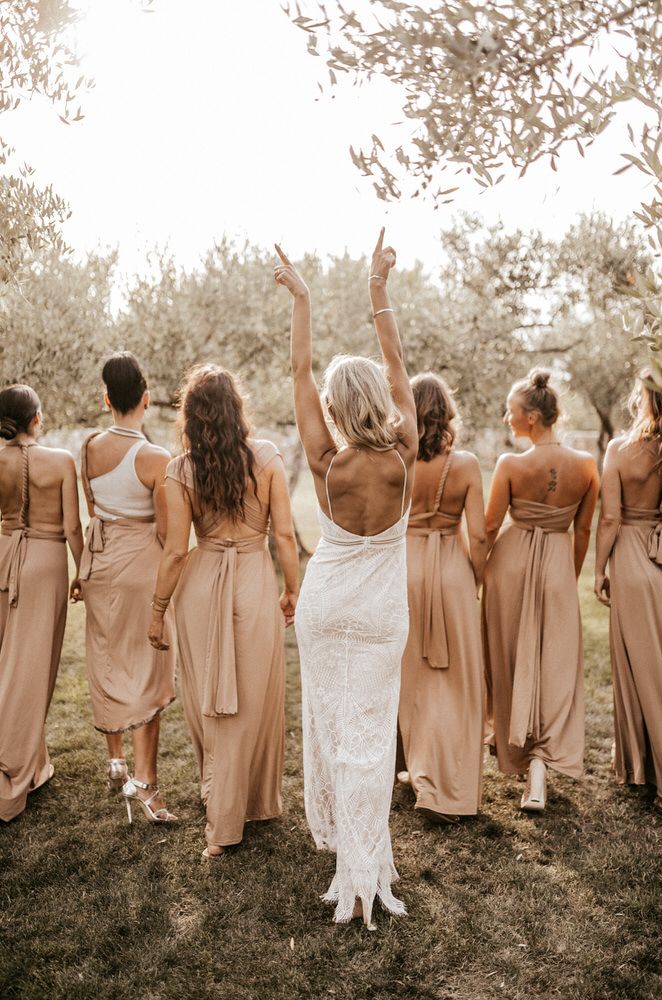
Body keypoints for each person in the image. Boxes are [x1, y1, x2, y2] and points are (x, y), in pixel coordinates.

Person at [274, 229, 418, 930]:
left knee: (336, 731)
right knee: (370, 737)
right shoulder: (403, 451)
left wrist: (300, 299)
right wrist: (376, 290)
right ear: (381, 399)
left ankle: (354, 864)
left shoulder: (324, 457)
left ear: (334, 404)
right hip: (381, 609)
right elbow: (397, 360)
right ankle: (366, 864)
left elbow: (299, 372)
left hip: (326, 605)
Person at [148, 364, 298, 857]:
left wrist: (157, 610)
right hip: (254, 581)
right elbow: (284, 536)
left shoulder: (180, 469)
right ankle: (243, 803)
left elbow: (174, 552)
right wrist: (292, 589)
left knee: (213, 701)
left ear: (191, 416)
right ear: (238, 409)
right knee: (249, 699)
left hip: (202, 584)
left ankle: (227, 811)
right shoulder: (269, 458)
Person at [483, 369, 598, 812]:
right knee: (553, 664)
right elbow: (583, 530)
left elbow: (491, 526)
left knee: (510, 655)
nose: (507, 419)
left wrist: (479, 572)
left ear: (532, 417)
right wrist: (565, 578)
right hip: (557, 565)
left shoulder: (511, 465)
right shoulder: (587, 464)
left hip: (509, 565)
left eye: (512, 412)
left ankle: (513, 745)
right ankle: (538, 770)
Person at [72, 352, 176, 824]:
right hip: (138, 566)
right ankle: (146, 787)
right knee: (148, 666)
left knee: (107, 654)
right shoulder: (155, 458)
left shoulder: (88, 446)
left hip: (98, 562)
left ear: (106, 398)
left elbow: (93, 507)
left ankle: (115, 758)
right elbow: (165, 532)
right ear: (147, 398)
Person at [397, 373, 486, 823]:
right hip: (451, 568)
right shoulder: (466, 464)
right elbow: (482, 534)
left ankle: (411, 768)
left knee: (408, 673)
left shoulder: (397, 461)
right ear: (446, 412)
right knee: (454, 679)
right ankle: (441, 782)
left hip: (404, 567)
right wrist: (477, 576)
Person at [0, 384, 83, 822]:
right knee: (30, 670)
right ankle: (10, 770)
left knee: (7, 664)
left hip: (4, 556)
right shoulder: (62, 461)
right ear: (36, 418)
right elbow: (72, 527)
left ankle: (31, 762)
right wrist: (83, 570)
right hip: (46, 563)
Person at [595, 370, 662, 816]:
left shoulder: (620, 450)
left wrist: (598, 568)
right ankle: (647, 768)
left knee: (647, 672)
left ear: (644, 395)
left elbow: (610, 519)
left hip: (634, 563)